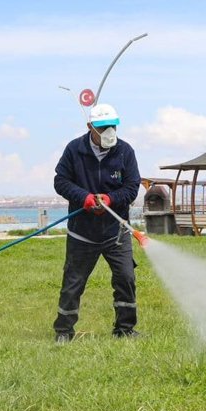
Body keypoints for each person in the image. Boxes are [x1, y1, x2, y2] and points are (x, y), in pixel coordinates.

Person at [52, 103, 141, 343]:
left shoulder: (125, 152)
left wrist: (111, 199)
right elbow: (61, 181)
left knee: (126, 278)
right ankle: (64, 331)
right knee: (73, 283)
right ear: (90, 126)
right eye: (103, 127)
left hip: (116, 232)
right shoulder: (74, 150)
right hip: (82, 233)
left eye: (113, 126)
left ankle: (125, 329)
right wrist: (85, 198)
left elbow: (132, 187)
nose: (109, 131)